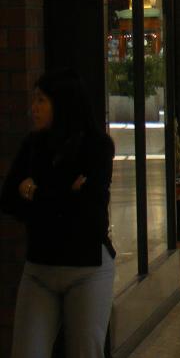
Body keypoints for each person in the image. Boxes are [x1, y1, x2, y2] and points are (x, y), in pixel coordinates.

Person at [1, 70, 116, 358]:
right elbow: (8, 200)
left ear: (62, 103)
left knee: (85, 350)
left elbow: (88, 211)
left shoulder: (97, 146)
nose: (34, 108)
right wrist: (66, 192)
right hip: (40, 268)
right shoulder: (33, 145)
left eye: (41, 100)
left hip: (87, 268)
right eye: (34, 100)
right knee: (26, 351)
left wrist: (34, 191)